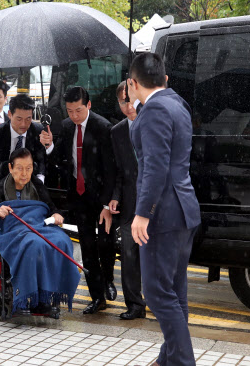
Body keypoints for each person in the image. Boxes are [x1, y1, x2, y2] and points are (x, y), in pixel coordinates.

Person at [128, 53, 201, 366]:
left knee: (157, 293)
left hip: (163, 214)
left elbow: (155, 166)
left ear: (132, 83)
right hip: (184, 210)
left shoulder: (155, 109)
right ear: (164, 79)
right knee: (174, 291)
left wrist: (142, 213)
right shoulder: (177, 103)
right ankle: (168, 359)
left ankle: (183, 362)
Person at [0, 148, 79, 315]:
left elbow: (51, 208)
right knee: (34, 244)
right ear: (10, 168)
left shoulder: (37, 186)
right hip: (13, 231)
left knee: (61, 240)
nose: (24, 173)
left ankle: (46, 296)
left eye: (29, 168)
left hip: (38, 226)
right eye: (20, 168)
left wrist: (56, 214)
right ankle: (31, 297)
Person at [42, 86, 117, 314]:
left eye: (78, 110)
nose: (74, 116)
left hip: (101, 195)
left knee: (106, 243)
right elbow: (60, 158)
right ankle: (97, 297)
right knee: (87, 247)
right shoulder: (65, 127)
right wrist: (49, 145)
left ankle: (108, 280)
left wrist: (107, 203)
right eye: (69, 111)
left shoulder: (103, 127)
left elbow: (111, 169)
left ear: (89, 105)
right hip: (79, 195)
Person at [108, 81, 146, 321]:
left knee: (154, 256)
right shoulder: (117, 132)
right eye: (124, 102)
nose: (129, 106)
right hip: (130, 202)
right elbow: (118, 171)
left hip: (154, 202)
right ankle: (134, 304)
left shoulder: (152, 121)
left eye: (132, 100)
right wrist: (114, 197)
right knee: (129, 255)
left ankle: (161, 302)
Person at [0, 93, 47, 192]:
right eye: (19, 119)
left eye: (28, 119)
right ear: (9, 114)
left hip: (28, 188)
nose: (23, 124)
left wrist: (39, 182)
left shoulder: (38, 131)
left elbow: (42, 160)